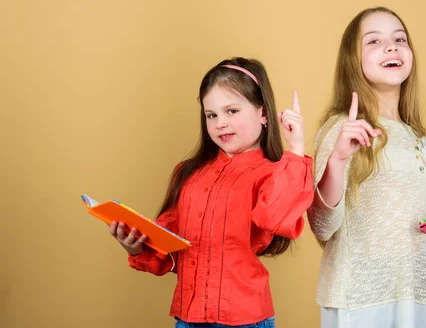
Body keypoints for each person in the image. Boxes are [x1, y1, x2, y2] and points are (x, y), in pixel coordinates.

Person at [308, 7, 426, 328]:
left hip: (416, 296)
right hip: (358, 299)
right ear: (352, 61)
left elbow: (413, 238)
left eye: (400, 39)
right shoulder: (344, 129)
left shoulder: (421, 143)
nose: (392, 46)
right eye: (374, 41)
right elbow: (322, 226)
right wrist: (339, 158)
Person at [109, 57, 313, 327]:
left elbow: (274, 218)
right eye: (211, 115)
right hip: (187, 318)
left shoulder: (274, 173)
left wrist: (296, 149)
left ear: (263, 113)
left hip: (244, 320)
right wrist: (136, 248)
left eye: (232, 111)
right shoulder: (188, 173)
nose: (220, 124)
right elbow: (169, 249)